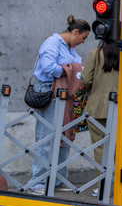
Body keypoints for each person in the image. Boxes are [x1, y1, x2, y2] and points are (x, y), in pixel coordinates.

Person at [29, 15, 90, 194]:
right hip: (49, 92)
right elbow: (49, 68)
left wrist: (71, 69)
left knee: (64, 137)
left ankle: (57, 180)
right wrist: (71, 70)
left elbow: (78, 68)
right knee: (46, 136)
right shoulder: (52, 43)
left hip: (65, 95)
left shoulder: (69, 47)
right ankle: (37, 183)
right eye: (83, 37)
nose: (83, 42)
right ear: (76, 32)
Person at [82, 39, 122, 197]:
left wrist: (95, 90)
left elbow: (86, 80)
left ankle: (102, 185)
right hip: (120, 106)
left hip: (97, 106)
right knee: (121, 146)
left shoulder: (94, 54)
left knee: (100, 147)